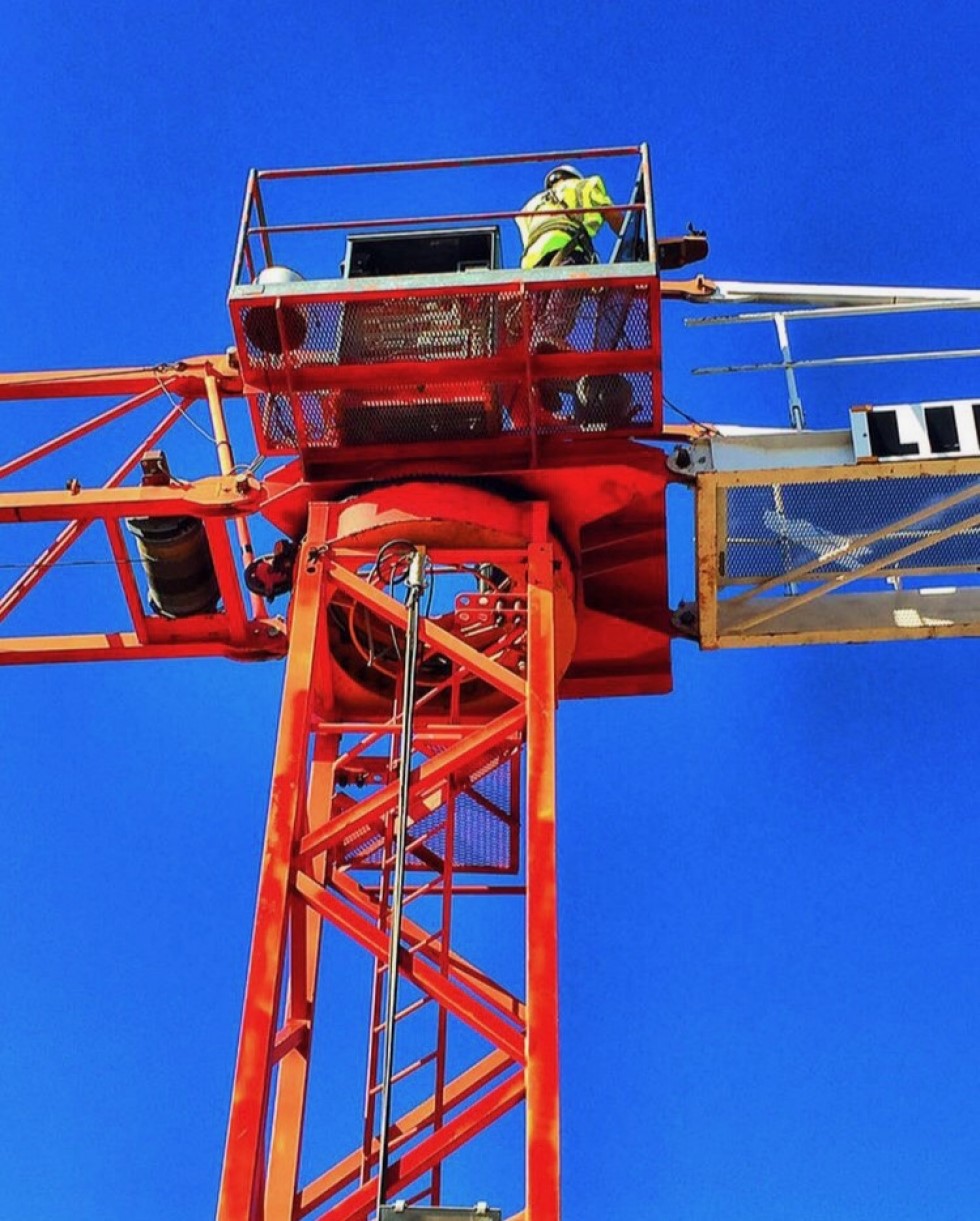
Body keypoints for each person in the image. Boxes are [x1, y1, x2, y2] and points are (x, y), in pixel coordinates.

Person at [516, 165, 626, 270]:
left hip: (532, 268)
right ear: (574, 177)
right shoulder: (581, 185)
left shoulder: (529, 206)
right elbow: (613, 216)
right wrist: (634, 243)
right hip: (567, 256)